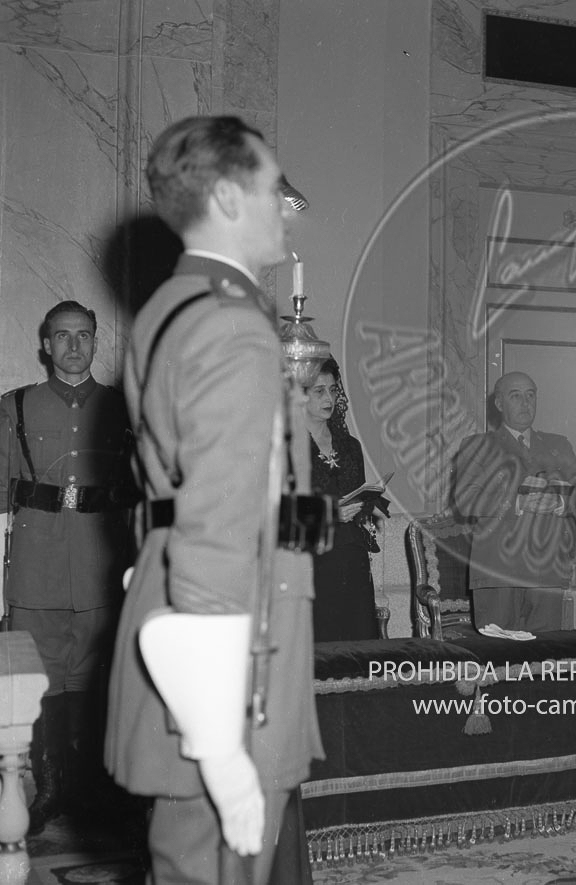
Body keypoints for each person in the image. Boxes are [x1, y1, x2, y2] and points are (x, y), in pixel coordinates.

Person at [105, 115, 323, 883]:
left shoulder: (173, 306)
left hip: (202, 636)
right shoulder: (233, 327)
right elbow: (216, 530)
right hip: (231, 663)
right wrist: (220, 744)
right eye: (272, 188)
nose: (285, 204)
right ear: (228, 198)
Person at [0, 300, 136, 834]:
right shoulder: (14, 409)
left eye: (84, 335)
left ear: (96, 342)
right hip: (38, 568)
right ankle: (51, 785)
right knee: (40, 680)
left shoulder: (122, 409)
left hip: (104, 562)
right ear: (45, 345)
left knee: (95, 678)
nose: (74, 346)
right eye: (63, 336)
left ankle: (88, 786)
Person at [450, 371, 576, 631]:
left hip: (547, 571)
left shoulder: (558, 444)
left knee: (543, 663)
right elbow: (465, 501)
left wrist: (559, 504)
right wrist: (518, 502)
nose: (525, 403)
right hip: (498, 572)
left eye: (530, 395)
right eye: (516, 396)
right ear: (500, 404)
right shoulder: (478, 445)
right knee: (499, 660)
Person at [304, 357, 387, 642]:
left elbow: (357, 499)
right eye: (319, 391)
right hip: (311, 559)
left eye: (333, 390)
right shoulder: (286, 448)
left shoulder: (350, 446)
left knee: (357, 642)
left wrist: (369, 503)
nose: (329, 398)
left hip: (351, 556)